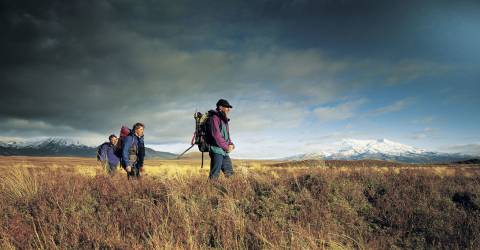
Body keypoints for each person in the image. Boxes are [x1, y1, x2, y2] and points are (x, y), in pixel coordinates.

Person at [206, 99, 235, 179]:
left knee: (230, 174)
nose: (229, 109)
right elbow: (216, 135)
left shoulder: (224, 120)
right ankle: (210, 190)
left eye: (229, 108)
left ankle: (232, 191)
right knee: (214, 175)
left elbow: (227, 136)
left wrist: (231, 144)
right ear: (220, 107)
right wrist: (227, 147)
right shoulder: (214, 118)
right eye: (227, 107)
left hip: (224, 151)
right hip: (216, 150)